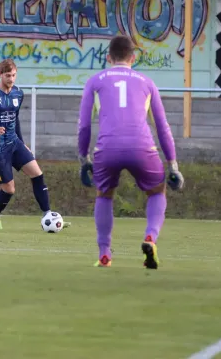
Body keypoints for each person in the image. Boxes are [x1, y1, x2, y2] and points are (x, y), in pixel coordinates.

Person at [77, 35, 184, 269]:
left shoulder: (95, 82)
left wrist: (84, 157)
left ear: (108, 58)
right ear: (133, 58)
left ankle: (105, 253)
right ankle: (150, 237)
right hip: (142, 147)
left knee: (104, 195)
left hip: (107, 148)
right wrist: (173, 164)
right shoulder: (146, 82)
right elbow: (162, 126)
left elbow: (84, 125)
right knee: (157, 191)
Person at [0, 59, 52, 229]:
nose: (11, 79)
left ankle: (48, 216)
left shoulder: (18, 94)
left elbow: (15, 120)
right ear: (0, 74)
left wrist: (23, 143)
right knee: (9, 189)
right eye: (8, 75)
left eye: (14, 75)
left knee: (37, 174)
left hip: (14, 143)